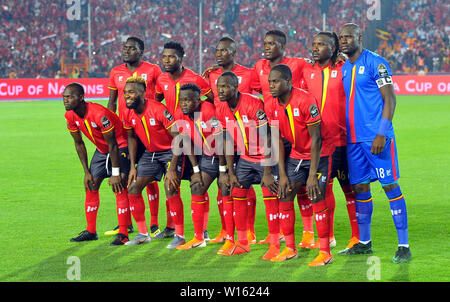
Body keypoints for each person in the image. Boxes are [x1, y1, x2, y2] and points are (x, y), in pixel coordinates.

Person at [338, 23, 411, 263]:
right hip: (353, 141)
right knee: (360, 188)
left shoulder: (376, 63)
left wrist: (381, 133)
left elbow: (390, 99)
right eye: (342, 37)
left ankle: (403, 245)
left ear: (360, 38)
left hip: (376, 139)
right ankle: (365, 242)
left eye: (349, 36)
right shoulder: (345, 68)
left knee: (389, 186)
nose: (344, 40)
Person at [123, 75, 202, 248]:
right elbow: (131, 138)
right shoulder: (127, 112)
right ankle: (143, 234)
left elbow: (179, 138)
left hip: (170, 151)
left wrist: (172, 168)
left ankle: (179, 235)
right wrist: (132, 167)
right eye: (125, 93)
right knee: (133, 188)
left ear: (143, 93)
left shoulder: (158, 109)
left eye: (131, 92)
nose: (127, 96)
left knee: (170, 187)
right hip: (150, 154)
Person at [300, 32, 360, 252]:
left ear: (334, 48)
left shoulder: (345, 68)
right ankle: (329, 236)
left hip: (344, 141)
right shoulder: (305, 70)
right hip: (318, 143)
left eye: (322, 44)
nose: (315, 48)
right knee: (322, 191)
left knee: (350, 190)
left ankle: (356, 237)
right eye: (314, 44)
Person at [267, 64, 333, 266]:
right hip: (296, 155)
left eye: (276, 81)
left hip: (319, 155)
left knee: (316, 194)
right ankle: (290, 248)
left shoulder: (305, 100)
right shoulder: (270, 105)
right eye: (270, 82)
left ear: (288, 82)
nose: (271, 85)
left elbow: (317, 139)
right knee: (284, 194)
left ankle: (324, 251)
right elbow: (277, 140)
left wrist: (312, 174)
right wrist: (282, 174)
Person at [253, 29, 312, 245]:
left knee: (303, 185)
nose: (266, 46)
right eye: (265, 43)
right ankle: (275, 232)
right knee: (273, 183)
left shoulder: (298, 63)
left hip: (296, 130)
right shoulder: (259, 67)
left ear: (282, 46)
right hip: (272, 130)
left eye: (271, 43)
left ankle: (310, 233)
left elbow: (318, 67)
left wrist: (338, 58)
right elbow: (241, 85)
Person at [215, 71, 279, 259]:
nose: (220, 90)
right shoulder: (221, 108)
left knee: (270, 199)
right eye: (219, 87)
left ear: (235, 88)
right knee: (237, 195)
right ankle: (242, 242)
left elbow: (268, 137)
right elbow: (226, 141)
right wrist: (229, 171)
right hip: (245, 158)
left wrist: (267, 171)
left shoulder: (253, 104)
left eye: (225, 87)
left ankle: (275, 244)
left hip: (265, 158)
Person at [203, 36, 260, 245]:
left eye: (223, 51)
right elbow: (210, 99)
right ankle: (226, 229)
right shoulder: (211, 75)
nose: (219, 54)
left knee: (244, 185)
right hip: (225, 134)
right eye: (217, 50)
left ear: (234, 52)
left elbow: (265, 95)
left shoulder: (249, 74)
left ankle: (250, 231)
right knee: (224, 183)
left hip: (248, 138)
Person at [107, 36, 163, 238]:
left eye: (132, 48)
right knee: (123, 175)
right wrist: (111, 124)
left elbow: (162, 92)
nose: (126, 51)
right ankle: (126, 224)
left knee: (148, 177)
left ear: (141, 51)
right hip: (125, 130)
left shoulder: (153, 69)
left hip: (146, 128)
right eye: (125, 47)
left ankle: (154, 223)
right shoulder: (116, 72)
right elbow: (112, 101)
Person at [63, 83, 131, 246]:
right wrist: (86, 171)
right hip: (102, 149)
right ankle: (91, 231)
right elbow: (79, 144)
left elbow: (114, 143)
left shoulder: (99, 114)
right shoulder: (70, 116)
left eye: (70, 97)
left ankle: (123, 233)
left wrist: (115, 173)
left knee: (119, 185)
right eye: (64, 97)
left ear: (81, 98)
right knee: (91, 183)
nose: (65, 100)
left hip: (120, 145)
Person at [173, 83, 227, 249]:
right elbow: (185, 142)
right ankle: (199, 238)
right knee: (196, 186)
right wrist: (195, 170)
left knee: (225, 188)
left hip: (228, 155)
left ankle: (229, 233)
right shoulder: (180, 114)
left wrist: (224, 170)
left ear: (199, 99)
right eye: (181, 100)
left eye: (188, 100)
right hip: (208, 156)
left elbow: (222, 141)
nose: (184, 103)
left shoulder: (209, 111)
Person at [155, 41, 214, 115]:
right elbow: (157, 100)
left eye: (171, 57)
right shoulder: (161, 79)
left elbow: (213, 99)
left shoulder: (195, 78)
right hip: (172, 125)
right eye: (164, 57)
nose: (166, 61)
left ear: (180, 59)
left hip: (189, 124)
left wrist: (197, 111)